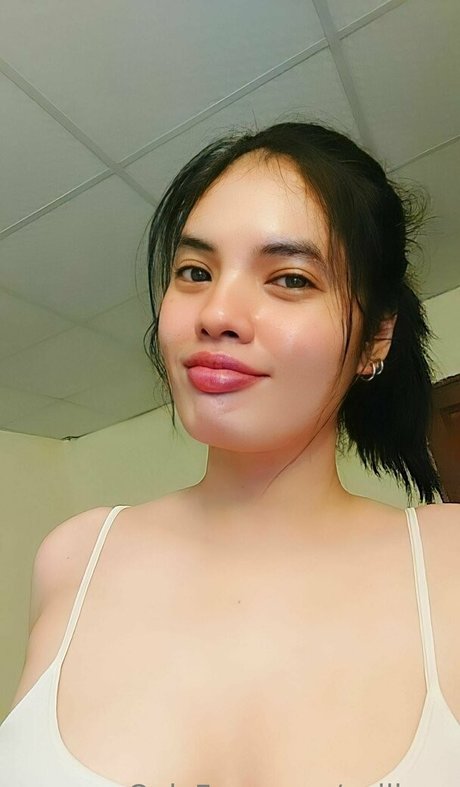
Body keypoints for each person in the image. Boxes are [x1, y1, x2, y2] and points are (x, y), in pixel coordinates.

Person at [0, 120, 459, 787]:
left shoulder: (448, 561)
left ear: (374, 339)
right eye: (195, 272)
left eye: (290, 279)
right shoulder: (71, 555)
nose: (216, 312)